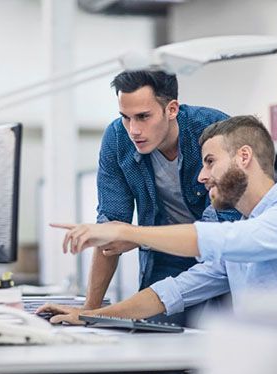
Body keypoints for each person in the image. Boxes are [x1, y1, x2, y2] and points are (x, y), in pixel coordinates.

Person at [40, 115, 277, 324]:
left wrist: (127, 232)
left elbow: (212, 239)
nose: (202, 176)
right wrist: (91, 316)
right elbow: (173, 292)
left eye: (210, 162)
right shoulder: (247, 233)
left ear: (244, 157)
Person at [84, 70, 240, 326]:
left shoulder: (214, 130)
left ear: (172, 109)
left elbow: (218, 233)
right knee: (153, 334)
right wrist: (89, 312)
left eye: (143, 117)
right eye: (126, 117)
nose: (133, 130)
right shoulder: (117, 139)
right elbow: (111, 227)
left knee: (219, 339)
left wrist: (135, 237)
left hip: (221, 256)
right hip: (163, 254)